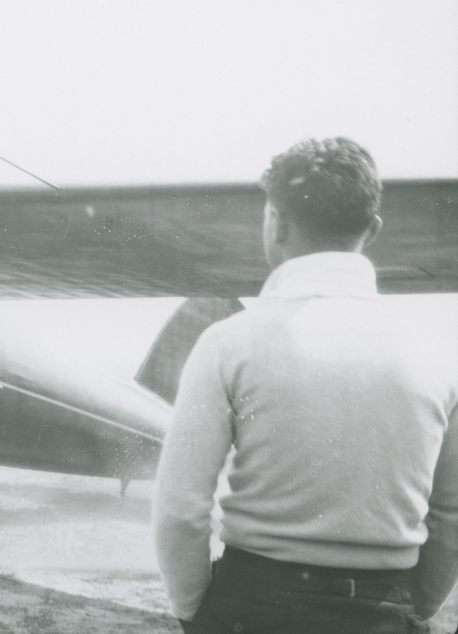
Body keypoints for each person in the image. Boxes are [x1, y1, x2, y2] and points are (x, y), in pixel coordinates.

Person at [153, 137, 458, 633]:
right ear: (373, 229)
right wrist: (412, 607)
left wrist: (195, 614)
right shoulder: (438, 352)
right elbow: (451, 513)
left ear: (275, 221)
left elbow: (180, 510)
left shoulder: (228, 342)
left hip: (254, 607)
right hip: (387, 607)